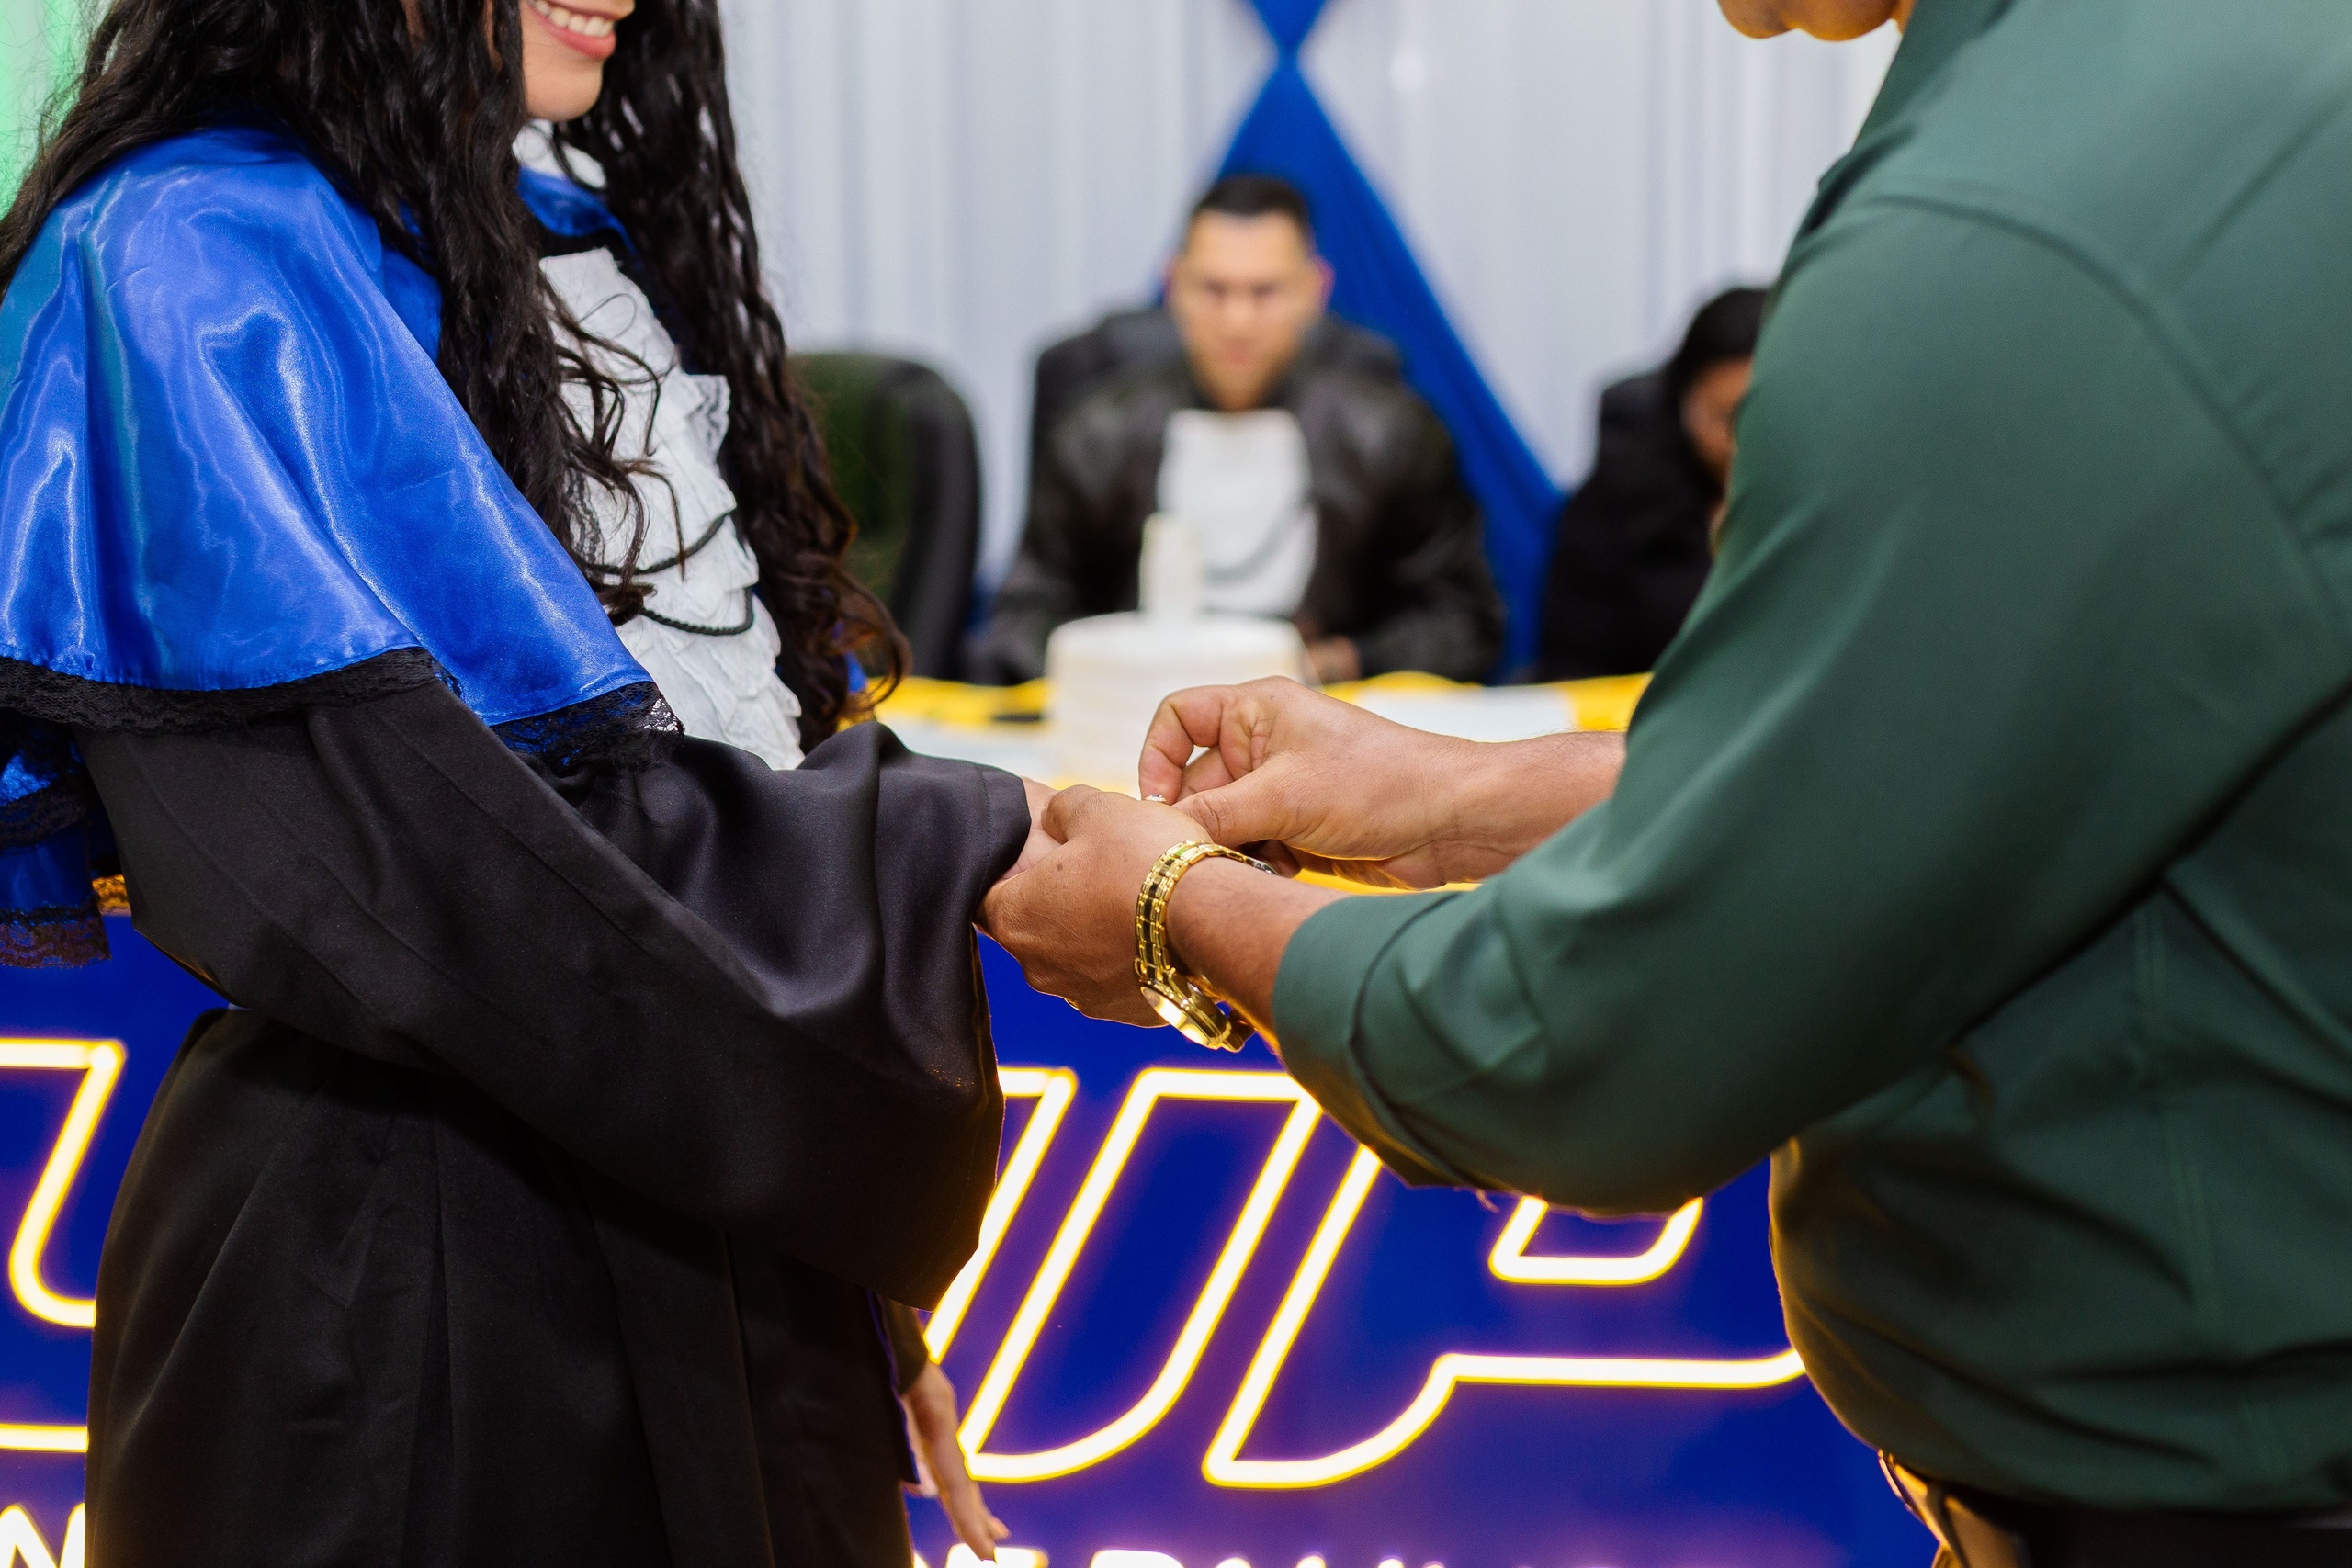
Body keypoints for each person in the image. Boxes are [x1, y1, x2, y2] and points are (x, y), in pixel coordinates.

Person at [986, 0, 2352, 1562]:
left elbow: (1595, 1040)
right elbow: (1965, 761)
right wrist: (1453, 795)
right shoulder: (2215, 86)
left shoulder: (2019, 229)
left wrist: (1175, 911)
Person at [0, 0, 1042, 1562]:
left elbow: (707, 763)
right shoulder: (187, 255)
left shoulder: (559, 230)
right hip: (410, 1275)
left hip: (717, 1200)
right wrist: (989, 845)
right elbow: (451, 864)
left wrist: (843, 1286)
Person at [973, 175, 1504, 687]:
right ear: (1174, 285)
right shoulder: (1097, 433)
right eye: (1214, 290)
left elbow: (1466, 622)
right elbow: (1024, 617)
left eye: (1265, 291)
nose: (1238, 321)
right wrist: (1122, 666)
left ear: (1314, 291)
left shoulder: (1390, 434)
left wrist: (1339, 662)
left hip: (1323, 722)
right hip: (1132, 717)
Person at [1534, 287, 1765, 680]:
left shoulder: (1837, 495)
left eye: (1762, 418)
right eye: (1726, 418)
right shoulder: (1618, 497)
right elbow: (1571, 663)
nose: (1742, 444)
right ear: (1682, 401)